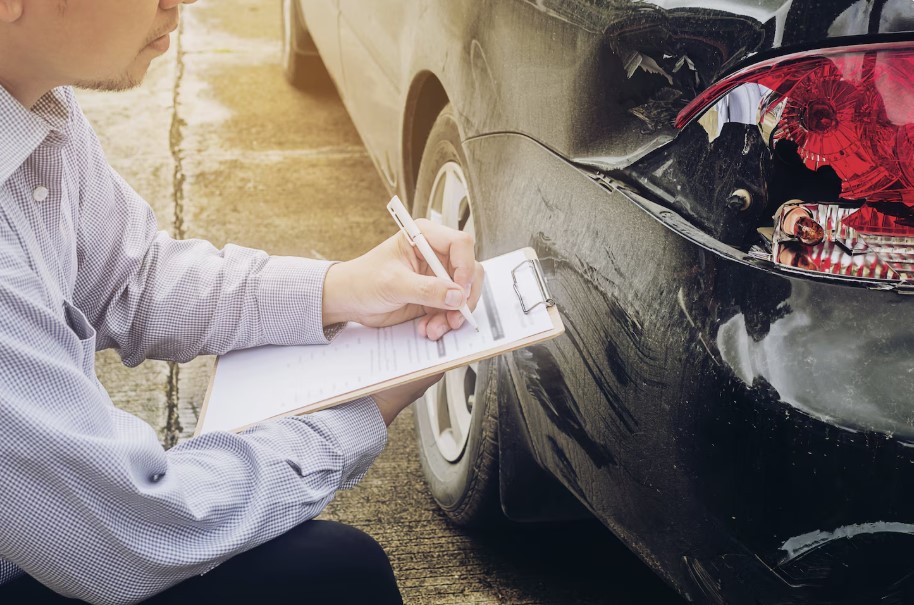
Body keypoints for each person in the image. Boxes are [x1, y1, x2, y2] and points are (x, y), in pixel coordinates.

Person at [0, 0, 484, 602]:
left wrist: (342, 288)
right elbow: (129, 533)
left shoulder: (33, 103)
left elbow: (133, 278)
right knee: (338, 577)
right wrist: (354, 412)